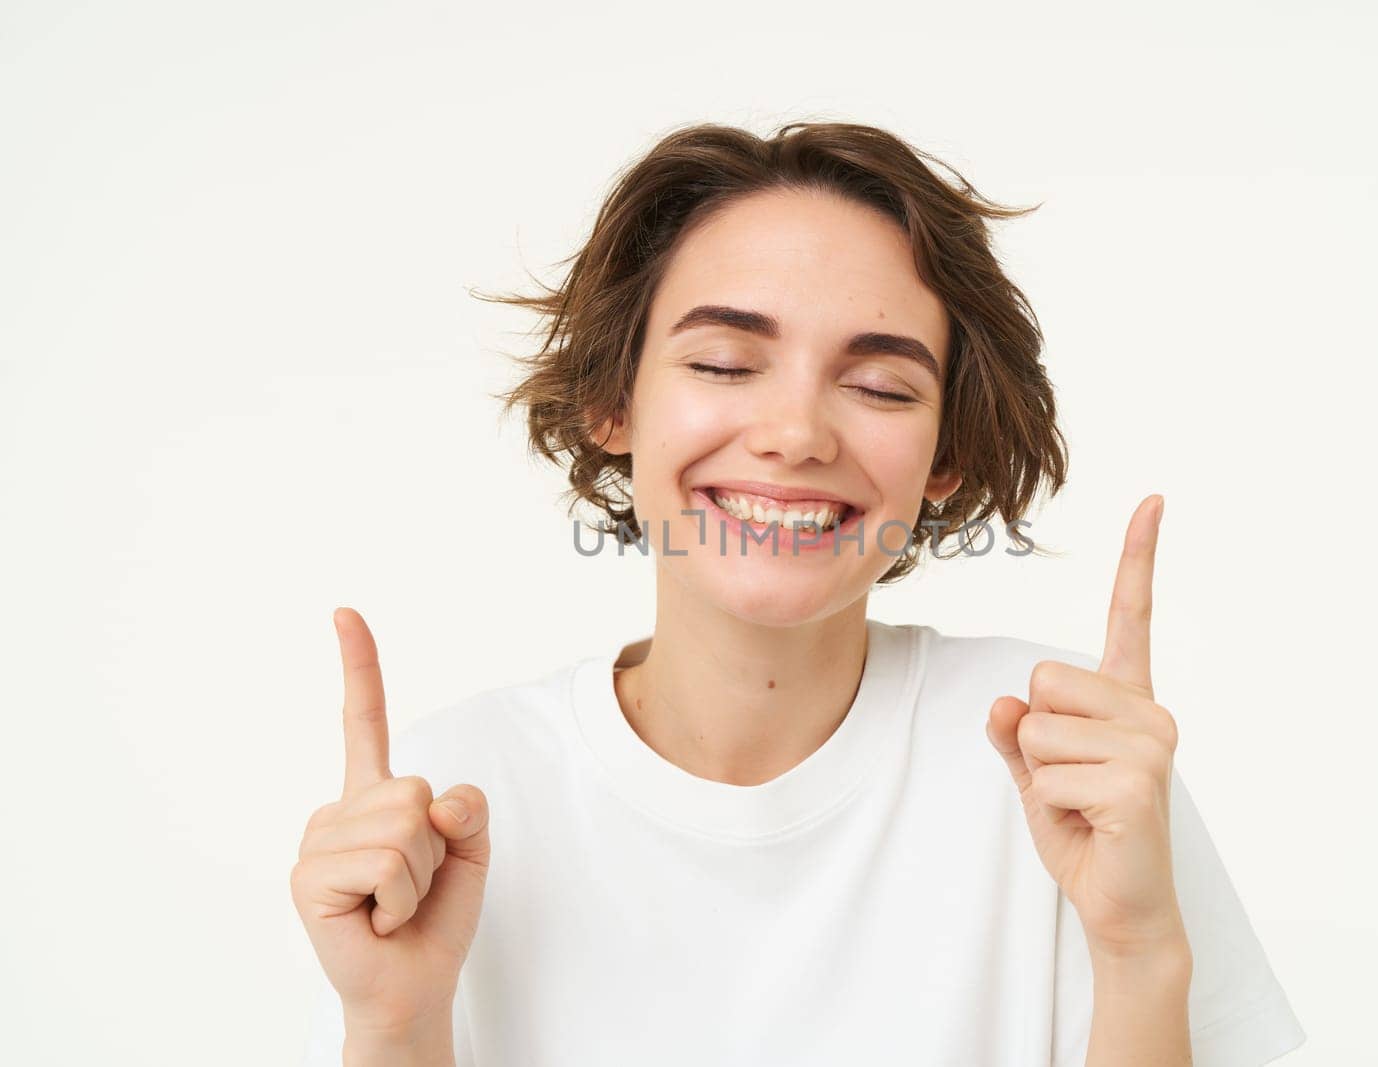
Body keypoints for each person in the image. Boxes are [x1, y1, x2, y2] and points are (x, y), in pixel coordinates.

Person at [290, 121, 1307, 1066]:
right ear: (612, 399)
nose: (795, 434)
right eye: (726, 361)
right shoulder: (446, 800)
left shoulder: (1072, 760)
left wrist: (1137, 955)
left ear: (944, 454)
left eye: (880, 386)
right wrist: (396, 1022)